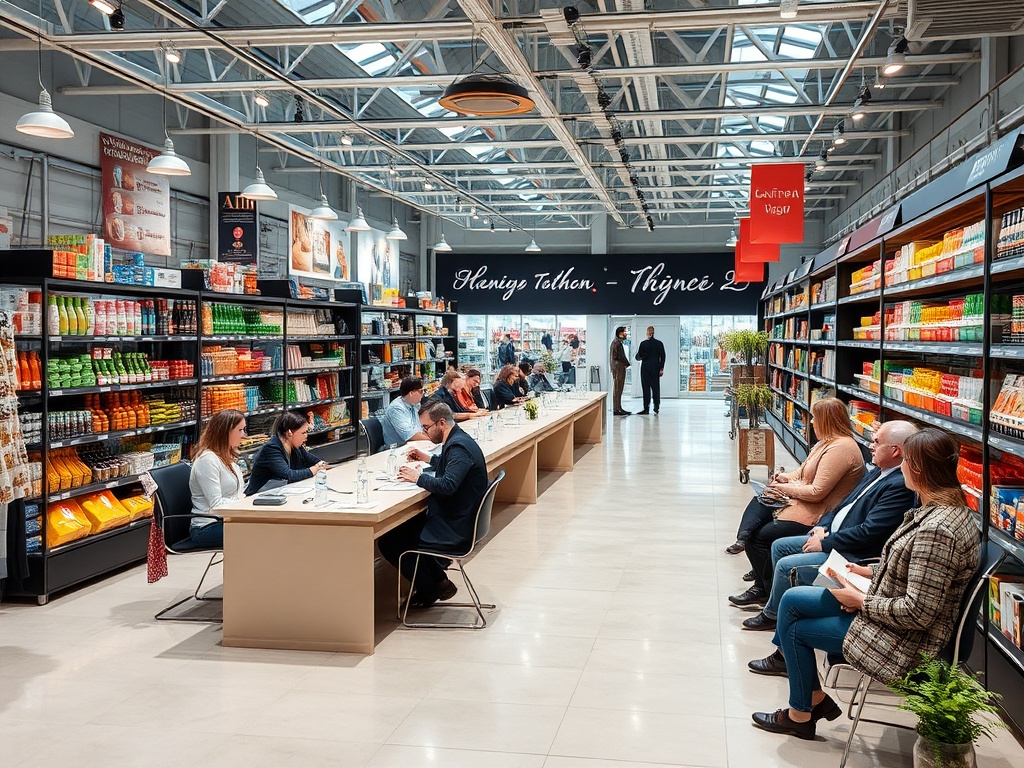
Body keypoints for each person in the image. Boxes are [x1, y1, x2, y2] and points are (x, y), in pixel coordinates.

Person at [750, 428, 981, 741]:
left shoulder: (937, 530)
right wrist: (869, 572)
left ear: (917, 468)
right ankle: (811, 699)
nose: (900, 469)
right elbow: (917, 572)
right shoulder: (942, 512)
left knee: (794, 629)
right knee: (792, 600)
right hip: (882, 597)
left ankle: (801, 713)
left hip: (904, 639)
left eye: (906, 462)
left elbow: (918, 612)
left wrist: (860, 601)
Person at [742, 420, 918, 634]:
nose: (871, 445)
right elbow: (844, 502)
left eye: (877, 441)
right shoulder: (879, 471)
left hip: (850, 553)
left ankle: (775, 616)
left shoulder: (899, 486)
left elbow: (869, 532)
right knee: (779, 545)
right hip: (831, 533)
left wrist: (824, 543)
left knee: (786, 564)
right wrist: (824, 526)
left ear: (895, 451)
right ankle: (770, 598)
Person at [728, 397, 864, 607]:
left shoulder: (841, 449)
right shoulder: (825, 444)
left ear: (827, 420)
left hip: (817, 513)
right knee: (761, 502)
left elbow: (817, 492)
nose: (811, 422)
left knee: (761, 537)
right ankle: (750, 553)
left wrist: (783, 488)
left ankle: (763, 587)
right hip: (804, 504)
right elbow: (802, 472)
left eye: (815, 417)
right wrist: (785, 478)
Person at [377, 401, 489, 607]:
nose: (424, 432)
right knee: (404, 528)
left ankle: (431, 587)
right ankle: (437, 582)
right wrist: (427, 458)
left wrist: (417, 477)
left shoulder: (458, 447)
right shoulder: (458, 440)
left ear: (441, 423)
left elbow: (447, 485)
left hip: (456, 527)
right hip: (458, 516)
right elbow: (451, 467)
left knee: (389, 541)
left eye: (427, 427)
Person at [188, 409, 247, 547]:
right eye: (240, 430)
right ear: (225, 431)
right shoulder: (207, 461)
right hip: (206, 527)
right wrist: (243, 501)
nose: (244, 435)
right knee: (258, 532)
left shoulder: (227, 456)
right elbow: (216, 505)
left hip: (226, 520)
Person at [245, 411, 330, 495]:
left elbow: (312, 460)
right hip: (258, 496)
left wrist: (322, 465)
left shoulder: (296, 447)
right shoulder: (272, 449)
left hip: (280, 492)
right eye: (303, 432)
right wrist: (312, 470)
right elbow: (287, 475)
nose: (306, 436)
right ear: (289, 433)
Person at [380, 376, 430, 447]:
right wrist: (432, 439)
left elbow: (420, 428)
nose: (423, 394)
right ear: (411, 393)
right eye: (421, 391)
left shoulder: (413, 404)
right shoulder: (396, 409)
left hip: (412, 445)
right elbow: (410, 435)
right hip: (396, 450)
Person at [634, 326, 666, 415]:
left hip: (645, 368)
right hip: (655, 368)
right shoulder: (659, 344)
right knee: (655, 388)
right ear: (654, 333)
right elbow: (663, 357)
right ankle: (656, 407)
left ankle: (646, 408)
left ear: (647, 333)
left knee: (646, 388)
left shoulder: (643, 344)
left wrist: (643, 355)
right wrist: (661, 368)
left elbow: (638, 356)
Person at [610, 325, 631, 415]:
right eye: (624, 332)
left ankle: (618, 407)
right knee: (618, 388)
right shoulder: (616, 343)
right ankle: (617, 408)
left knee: (618, 388)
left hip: (618, 367)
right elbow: (617, 356)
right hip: (618, 368)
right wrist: (626, 363)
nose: (626, 334)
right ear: (620, 333)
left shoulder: (616, 342)